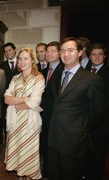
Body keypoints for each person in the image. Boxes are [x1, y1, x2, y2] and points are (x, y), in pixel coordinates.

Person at [47, 37, 106, 180]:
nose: (66, 54)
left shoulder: (91, 80)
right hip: (53, 139)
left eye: (70, 50)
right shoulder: (57, 75)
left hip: (74, 143)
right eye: (63, 51)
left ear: (80, 52)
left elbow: (98, 113)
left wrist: (79, 130)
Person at [4, 47, 45, 180]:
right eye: (20, 58)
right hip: (15, 122)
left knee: (28, 154)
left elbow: (34, 102)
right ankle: (20, 176)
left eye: (26, 58)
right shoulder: (15, 78)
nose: (22, 61)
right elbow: (6, 98)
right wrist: (24, 99)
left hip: (29, 123)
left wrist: (14, 102)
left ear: (32, 60)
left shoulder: (39, 77)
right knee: (17, 153)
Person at [83, 43, 109, 180]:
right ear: (89, 56)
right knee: (86, 156)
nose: (97, 57)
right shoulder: (84, 70)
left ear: (104, 56)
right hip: (85, 123)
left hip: (101, 125)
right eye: (94, 54)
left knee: (98, 158)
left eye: (100, 54)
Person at [40, 41, 64, 177]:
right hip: (42, 114)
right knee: (44, 144)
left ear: (60, 54)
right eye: (47, 51)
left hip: (55, 116)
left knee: (54, 147)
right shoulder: (42, 72)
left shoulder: (63, 71)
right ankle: (46, 169)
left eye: (53, 51)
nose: (49, 54)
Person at [0, 42, 20, 142]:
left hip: (19, 100)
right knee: (6, 124)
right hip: (5, 101)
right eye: (5, 51)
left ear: (15, 50)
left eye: (10, 50)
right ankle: (8, 145)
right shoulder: (1, 66)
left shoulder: (22, 63)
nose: (8, 53)